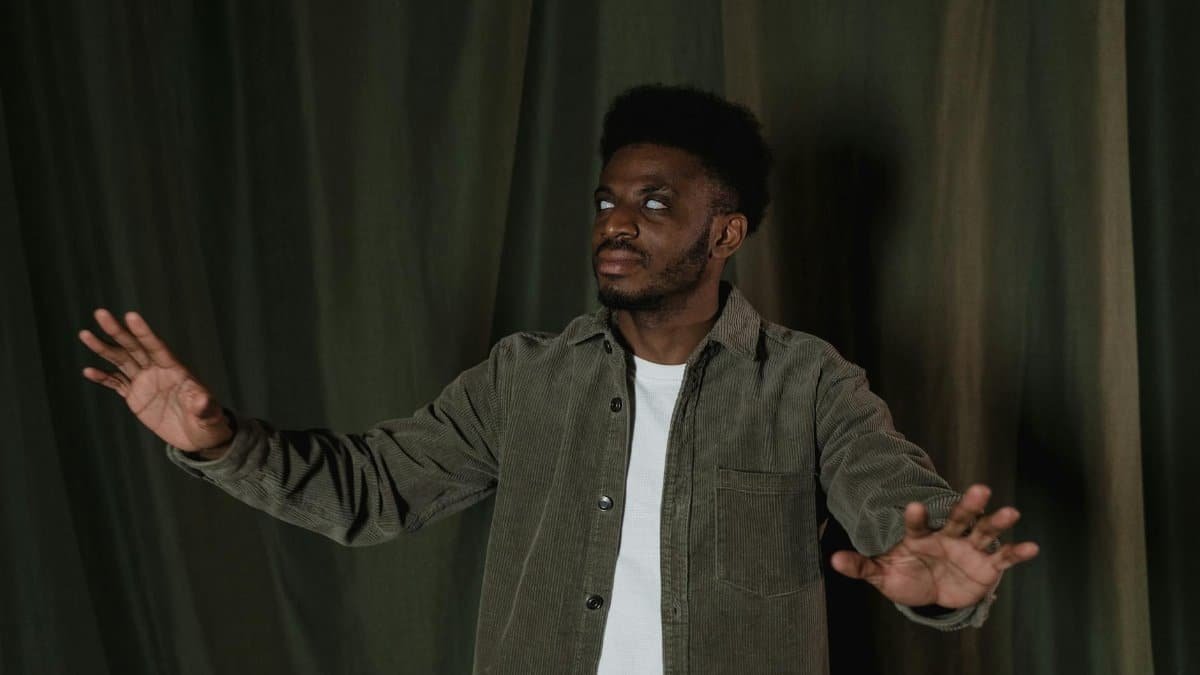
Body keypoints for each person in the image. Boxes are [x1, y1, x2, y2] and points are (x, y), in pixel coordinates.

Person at [79, 84, 1039, 675]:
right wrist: (216, 441)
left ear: (726, 233)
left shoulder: (807, 382)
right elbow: (368, 491)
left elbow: (894, 499)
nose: (616, 222)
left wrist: (943, 585)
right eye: (607, 200)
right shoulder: (525, 378)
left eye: (655, 203)